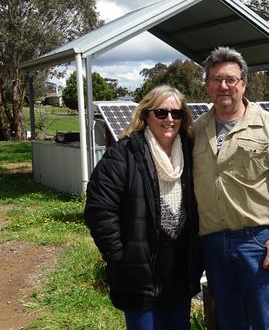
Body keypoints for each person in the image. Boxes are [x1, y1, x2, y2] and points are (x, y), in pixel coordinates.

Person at [192, 47, 269, 329]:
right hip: (213, 244)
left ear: (243, 84)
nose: (223, 86)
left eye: (231, 79)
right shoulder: (196, 131)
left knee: (267, 322)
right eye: (216, 79)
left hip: (256, 241)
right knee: (231, 321)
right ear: (207, 85)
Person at [84, 85, 203, 330]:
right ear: (146, 115)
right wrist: (119, 258)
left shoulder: (192, 155)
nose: (169, 119)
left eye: (176, 113)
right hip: (138, 276)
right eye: (161, 113)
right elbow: (99, 210)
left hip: (180, 274)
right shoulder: (123, 154)